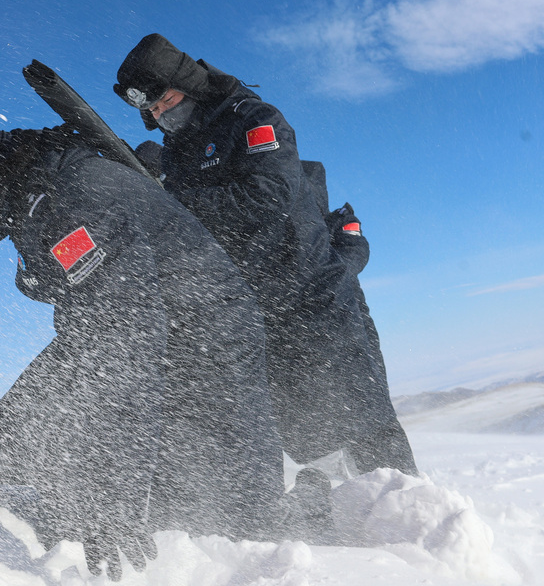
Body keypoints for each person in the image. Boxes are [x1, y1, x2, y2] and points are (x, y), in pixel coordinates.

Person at [0, 87, 323, 581]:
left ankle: (315, 507)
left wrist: (111, 493)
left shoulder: (66, 197)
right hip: (134, 335)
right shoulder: (29, 190)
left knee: (225, 523)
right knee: (11, 441)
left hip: (207, 350)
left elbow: (127, 343)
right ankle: (14, 512)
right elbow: (97, 323)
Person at [114, 34, 418, 478]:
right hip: (256, 310)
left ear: (189, 85)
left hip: (312, 296)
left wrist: (174, 203)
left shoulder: (254, 118)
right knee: (310, 439)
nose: (163, 114)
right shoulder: (178, 152)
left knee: (363, 421)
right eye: (154, 111)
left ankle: (411, 511)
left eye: (168, 101)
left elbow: (268, 195)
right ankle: (342, 516)